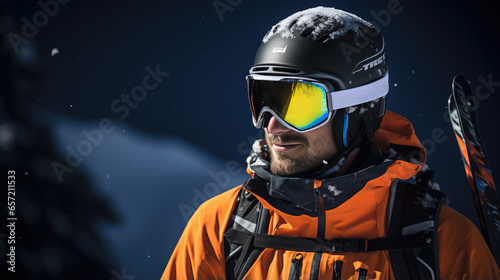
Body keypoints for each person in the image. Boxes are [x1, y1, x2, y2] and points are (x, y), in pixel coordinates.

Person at [162, 6, 500, 279]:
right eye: (263, 98)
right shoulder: (222, 228)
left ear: (358, 110)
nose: (273, 125)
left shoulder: (442, 243)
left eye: (302, 104)